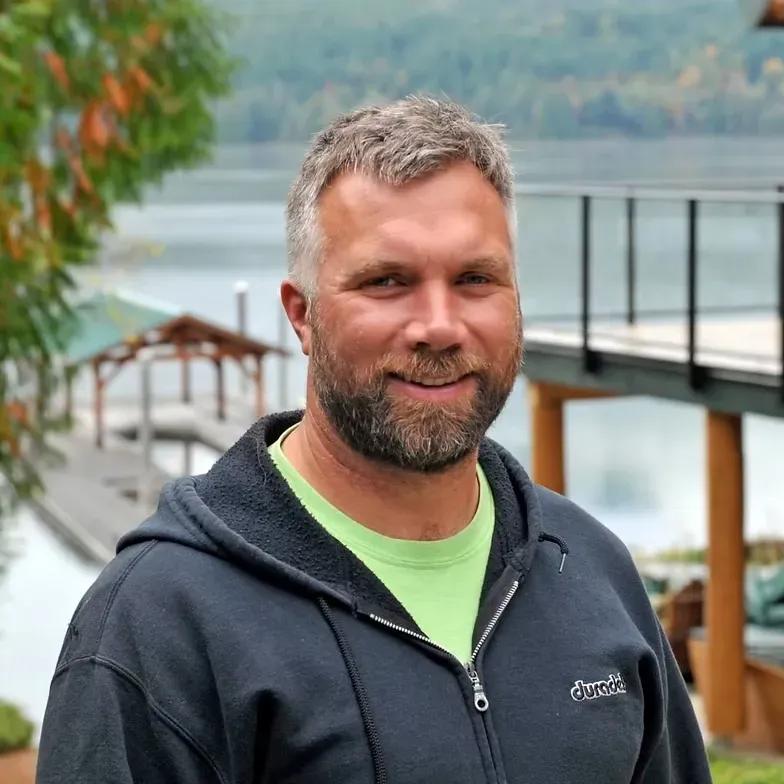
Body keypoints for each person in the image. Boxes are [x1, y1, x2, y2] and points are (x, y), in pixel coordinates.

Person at [36, 96, 712, 783]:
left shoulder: (592, 569)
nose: (439, 325)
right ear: (302, 316)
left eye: (475, 279)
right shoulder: (162, 625)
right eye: (387, 282)